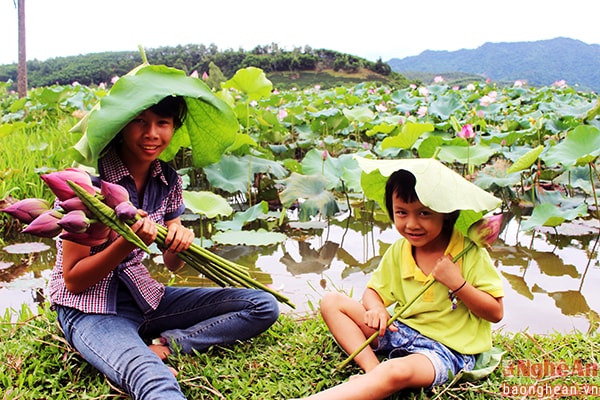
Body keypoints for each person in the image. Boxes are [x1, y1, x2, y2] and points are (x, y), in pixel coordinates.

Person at [49, 95, 280, 399]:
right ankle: (143, 357)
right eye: (140, 121)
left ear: (173, 128)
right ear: (121, 125)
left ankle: (170, 343)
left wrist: (179, 240)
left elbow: (172, 264)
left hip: (144, 297)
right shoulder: (87, 183)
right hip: (89, 309)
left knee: (261, 305)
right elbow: (74, 280)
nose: (152, 134)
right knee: (151, 378)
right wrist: (126, 242)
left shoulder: (168, 179)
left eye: (163, 123)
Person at [299, 169, 504, 400]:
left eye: (424, 213)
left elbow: (495, 313)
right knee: (332, 302)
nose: (411, 224)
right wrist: (376, 308)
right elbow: (373, 292)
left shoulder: (470, 253)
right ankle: (371, 369)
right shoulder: (399, 250)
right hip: (401, 331)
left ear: (446, 212)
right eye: (401, 212)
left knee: (396, 371)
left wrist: (458, 284)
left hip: (445, 350)